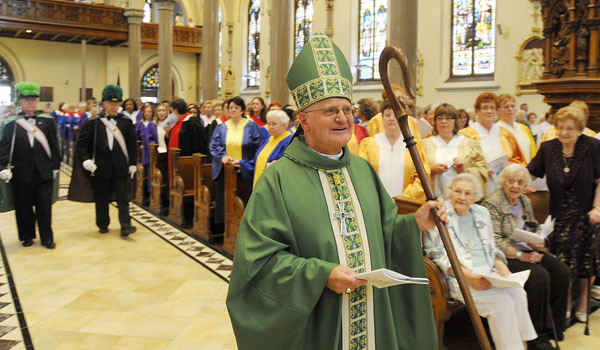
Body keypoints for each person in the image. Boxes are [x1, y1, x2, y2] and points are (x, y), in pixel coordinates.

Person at [227, 32, 444, 349]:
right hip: (319, 319)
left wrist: (415, 223)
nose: (343, 117)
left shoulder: (361, 170)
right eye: (330, 111)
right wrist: (320, 274)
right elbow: (258, 264)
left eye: (347, 109)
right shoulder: (278, 180)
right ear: (304, 120)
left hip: (371, 313)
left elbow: (384, 231)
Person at [423, 173, 549, 350]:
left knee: (518, 293)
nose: (462, 197)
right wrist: (471, 277)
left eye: (468, 193)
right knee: (502, 303)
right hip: (460, 277)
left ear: (475, 197)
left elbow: (492, 248)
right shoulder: (440, 216)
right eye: (457, 191)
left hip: (489, 273)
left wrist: (504, 271)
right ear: (449, 192)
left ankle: (522, 346)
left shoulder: (481, 212)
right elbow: (439, 256)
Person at [527, 106, 600, 324]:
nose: (564, 133)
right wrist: (512, 183)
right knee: (563, 262)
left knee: (586, 260)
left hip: (588, 213)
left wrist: (597, 208)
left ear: (580, 130)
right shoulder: (548, 148)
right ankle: (566, 300)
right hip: (559, 215)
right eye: (560, 128)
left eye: (570, 129)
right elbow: (530, 173)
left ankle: (584, 298)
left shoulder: (593, 147)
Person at [481, 163, 570, 342]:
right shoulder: (492, 203)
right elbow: (494, 240)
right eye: (511, 181)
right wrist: (523, 256)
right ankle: (535, 334)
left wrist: (538, 240)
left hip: (527, 249)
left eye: (520, 182)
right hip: (505, 257)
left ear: (525, 185)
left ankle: (554, 327)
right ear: (503, 182)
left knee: (562, 272)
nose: (515, 186)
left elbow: (532, 226)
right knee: (539, 276)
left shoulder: (525, 200)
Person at [0, 82, 60, 248]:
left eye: (33, 100)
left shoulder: (47, 122)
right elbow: (4, 149)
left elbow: (54, 146)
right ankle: (27, 236)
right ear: (19, 102)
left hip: (43, 171)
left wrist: (55, 166)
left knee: (44, 207)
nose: (30, 103)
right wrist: (2, 168)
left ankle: (47, 237)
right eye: (26, 100)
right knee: (23, 206)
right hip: (20, 172)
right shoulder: (11, 124)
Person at [76, 84, 137, 238]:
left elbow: (131, 145)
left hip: (120, 167)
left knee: (124, 198)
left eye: (116, 104)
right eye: (110, 103)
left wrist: (133, 164)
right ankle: (103, 224)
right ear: (103, 104)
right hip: (100, 167)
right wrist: (86, 160)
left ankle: (126, 226)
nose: (113, 107)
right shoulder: (93, 122)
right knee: (101, 198)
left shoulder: (126, 122)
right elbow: (82, 145)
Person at [359, 101, 429, 201]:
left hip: (404, 205)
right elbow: (362, 175)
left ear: (403, 119)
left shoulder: (415, 146)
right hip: (375, 202)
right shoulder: (368, 144)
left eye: (396, 115)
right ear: (382, 118)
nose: (392, 119)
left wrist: (403, 199)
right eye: (387, 115)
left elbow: (422, 177)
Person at [210, 96, 261, 230]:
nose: (232, 110)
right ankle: (224, 227)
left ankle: (244, 227)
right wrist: (223, 156)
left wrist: (246, 162)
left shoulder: (251, 126)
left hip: (244, 169)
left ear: (243, 110)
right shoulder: (222, 127)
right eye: (230, 107)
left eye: (236, 108)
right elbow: (214, 145)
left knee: (243, 198)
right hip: (226, 169)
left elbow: (258, 146)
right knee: (224, 198)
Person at [460, 91, 526, 194]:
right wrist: (480, 171)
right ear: (477, 111)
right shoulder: (465, 135)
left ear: (496, 111)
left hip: (504, 188)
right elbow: (462, 163)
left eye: (492, 108)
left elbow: (519, 160)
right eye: (485, 108)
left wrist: (510, 166)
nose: (489, 111)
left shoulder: (506, 134)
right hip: (476, 188)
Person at [423, 103, 487, 198]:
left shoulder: (469, 144)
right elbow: (413, 171)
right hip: (432, 200)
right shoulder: (425, 144)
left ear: (455, 121)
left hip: (461, 200)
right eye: (440, 118)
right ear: (435, 121)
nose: (444, 121)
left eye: (448, 118)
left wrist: (465, 170)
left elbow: (482, 170)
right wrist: (430, 170)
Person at [239, 110, 293, 187]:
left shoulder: (289, 142)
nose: (270, 127)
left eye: (274, 124)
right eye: (269, 124)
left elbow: (287, 166)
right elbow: (255, 164)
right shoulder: (267, 141)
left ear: (284, 124)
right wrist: (241, 163)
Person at [496, 94, 537, 162]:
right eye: (506, 107)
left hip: (529, 169)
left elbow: (533, 151)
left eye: (512, 106)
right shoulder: (497, 130)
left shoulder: (524, 128)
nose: (510, 109)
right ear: (498, 110)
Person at [135, 105, 158, 203]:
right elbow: (136, 136)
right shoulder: (140, 124)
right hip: (143, 151)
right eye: (146, 112)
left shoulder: (154, 124)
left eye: (149, 111)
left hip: (151, 149)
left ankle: (151, 192)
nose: (147, 113)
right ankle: (145, 192)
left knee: (151, 171)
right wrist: (140, 143)